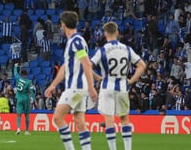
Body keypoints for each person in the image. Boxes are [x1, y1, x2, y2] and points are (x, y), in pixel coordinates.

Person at [44, 11, 98, 150]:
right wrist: (53, 85)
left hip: (76, 87)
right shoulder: (75, 41)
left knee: (57, 118)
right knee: (79, 122)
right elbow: (65, 67)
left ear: (63, 25)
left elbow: (86, 63)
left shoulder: (76, 41)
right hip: (79, 88)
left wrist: (91, 88)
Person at [90, 21, 147, 150]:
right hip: (122, 87)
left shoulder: (102, 50)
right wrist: (132, 80)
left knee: (109, 120)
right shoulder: (127, 49)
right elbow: (142, 65)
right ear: (117, 32)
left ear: (105, 34)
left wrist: (97, 77)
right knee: (124, 119)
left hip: (107, 87)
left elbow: (88, 65)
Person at [14, 63, 35, 135]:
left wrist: (15, 66)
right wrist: (33, 98)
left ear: (21, 74)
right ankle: (26, 131)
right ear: (26, 75)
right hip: (26, 98)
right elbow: (31, 91)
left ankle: (18, 129)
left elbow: (15, 73)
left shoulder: (18, 78)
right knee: (26, 115)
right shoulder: (29, 82)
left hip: (19, 98)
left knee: (18, 114)